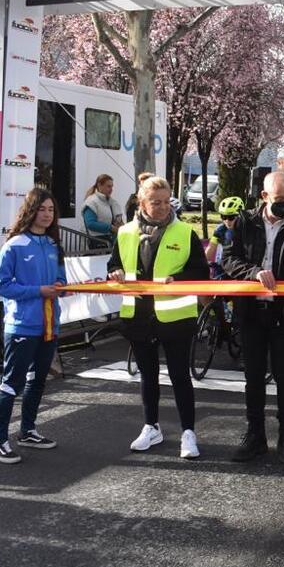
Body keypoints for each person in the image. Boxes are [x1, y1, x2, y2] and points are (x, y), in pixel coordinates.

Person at [108, 176, 208, 459]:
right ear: (142, 203)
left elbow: (201, 273)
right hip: (138, 316)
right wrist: (115, 272)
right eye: (156, 202)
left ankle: (188, 433)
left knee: (179, 376)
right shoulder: (125, 232)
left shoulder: (185, 233)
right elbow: (114, 263)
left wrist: (177, 278)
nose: (163, 207)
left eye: (166, 202)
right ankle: (151, 426)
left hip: (176, 318)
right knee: (148, 376)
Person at [222, 173, 284, 464]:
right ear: (264, 197)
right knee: (253, 377)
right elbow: (228, 259)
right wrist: (253, 273)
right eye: (279, 200)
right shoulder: (245, 223)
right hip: (251, 312)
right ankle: (255, 436)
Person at [0, 188, 67, 464]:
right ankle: (0, 441)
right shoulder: (15, 245)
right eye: (42, 209)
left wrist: (63, 289)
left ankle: (27, 431)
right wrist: (39, 291)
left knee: (37, 382)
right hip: (22, 326)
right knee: (12, 383)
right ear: (31, 210)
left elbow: (61, 281)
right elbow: (1, 286)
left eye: (51, 210)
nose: (47, 215)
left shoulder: (53, 245)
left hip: (50, 325)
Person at [82, 174, 125, 245]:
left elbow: (119, 220)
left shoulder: (113, 202)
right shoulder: (91, 202)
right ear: (99, 185)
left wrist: (121, 225)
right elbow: (90, 224)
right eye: (108, 186)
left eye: (112, 186)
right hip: (98, 242)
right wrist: (111, 228)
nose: (111, 189)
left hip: (113, 240)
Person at [205, 196, 244, 270]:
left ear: (240, 215)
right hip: (223, 268)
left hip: (241, 267)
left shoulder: (247, 229)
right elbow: (210, 249)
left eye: (231, 217)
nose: (227, 221)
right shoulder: (220, 229)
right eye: (223, 217)